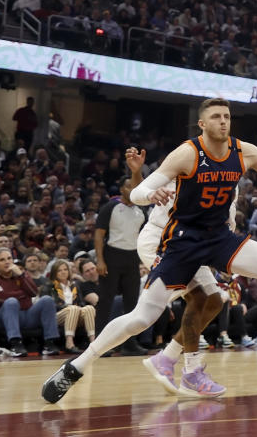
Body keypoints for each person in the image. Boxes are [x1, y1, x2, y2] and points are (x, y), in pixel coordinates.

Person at [42, 98, 257, 403]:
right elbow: (140, 191)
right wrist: (150, 193)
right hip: (180, 241)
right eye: (216, 117)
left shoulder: (244, 151)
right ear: (202, 124)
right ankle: (77, 367)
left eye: (227, 116)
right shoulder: (186, 153)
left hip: (219, 236)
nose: (223, 121)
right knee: (144, 316)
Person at [124, 146, 230, 398]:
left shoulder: (224, 185)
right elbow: (135, 194)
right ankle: (192, 372)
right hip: (160, 240)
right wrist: (137, 173)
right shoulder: (179, 167)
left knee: (215, 300)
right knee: (198, 298)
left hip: (191, 243)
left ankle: (167, 358)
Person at [94, 178, 146, 355]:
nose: (132, 189)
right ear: (121, 189)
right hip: (112, 255)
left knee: (132, 303)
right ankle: (99, 344)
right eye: (129, 186)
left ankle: (129, 344)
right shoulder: (110, 207)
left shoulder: (141, 211)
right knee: (105, 302)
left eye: (135, 186)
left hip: (132, 258)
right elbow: (99, 235)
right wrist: (100, 260)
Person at [0, 247, 60, 356]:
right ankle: (16, 344)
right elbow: (2, 297)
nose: (7, 262)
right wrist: (23, 294)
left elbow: (33, 292)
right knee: (11, 302)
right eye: (2, 260)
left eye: (9, 258)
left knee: (47, 300)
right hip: (4, 318)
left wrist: (21, 275)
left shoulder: (22, 275)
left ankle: (49, 343)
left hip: (27, 315)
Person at [43, 259, 95, 353]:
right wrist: (69, 307)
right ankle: (69, 343)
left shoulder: (74, 285)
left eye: (65, 269)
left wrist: (80, 308)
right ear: (54, 272)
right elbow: (49, 306)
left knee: (89, 308)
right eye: (59, 270)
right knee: (73, 308)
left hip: (75, 312)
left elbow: (81, 303)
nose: (63, 272)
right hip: (57, 315)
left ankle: (94, 343)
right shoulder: (49, 286)